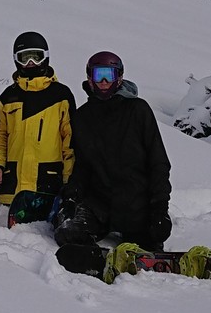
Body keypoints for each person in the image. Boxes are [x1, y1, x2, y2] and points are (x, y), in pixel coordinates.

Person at [54, 51, 172, 250]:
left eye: (109, 74)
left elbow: (158, 162)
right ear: (90, 78)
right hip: (100, 204)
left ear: (119, 77)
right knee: (67, 233)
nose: (104, 81)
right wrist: (71, 197)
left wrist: (160, 207)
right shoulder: (83, 117)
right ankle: (98, 257)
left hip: (135, 204)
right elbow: (82, 166)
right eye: (98, 75)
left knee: (149, 240)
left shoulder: (137, 110)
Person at [0, 31, 76, 222]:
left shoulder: (60, 96)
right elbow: (0, 137)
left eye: (36, 57)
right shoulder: (9, 97)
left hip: (46, 191)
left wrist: (69, 182)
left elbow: (70, 144)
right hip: (11, 194)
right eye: (24, 58)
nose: (30, 64)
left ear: (46, 57)